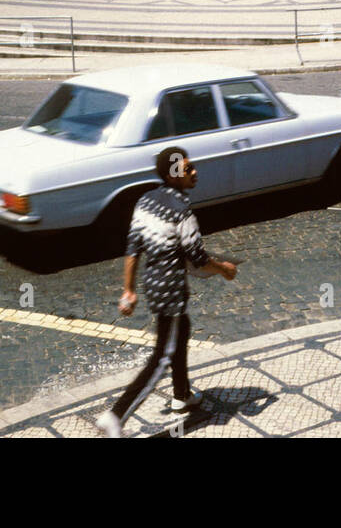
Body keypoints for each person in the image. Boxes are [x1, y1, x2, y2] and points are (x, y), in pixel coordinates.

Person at [96, 146, 237, 437]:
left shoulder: (145, 201)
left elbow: (133, 247)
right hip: (171, 290)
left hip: (152, 284)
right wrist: (224, 268)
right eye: (189, 169)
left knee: (181, 332)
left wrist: (129, 290)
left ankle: (182, 394)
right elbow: (197, 257)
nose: (195, 171)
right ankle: (116, 415)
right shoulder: (182, 210)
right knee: (162, 356)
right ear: (174, 175)